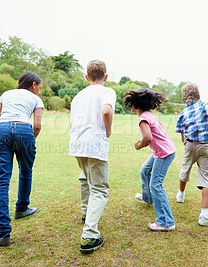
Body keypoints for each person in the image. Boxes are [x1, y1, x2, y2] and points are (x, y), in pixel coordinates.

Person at [0, 72, 44, 248]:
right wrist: (29, 139)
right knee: (26, 171)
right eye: (39, 87)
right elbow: (37, 125)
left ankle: (1, 234)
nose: (39, 90)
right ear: (33, 84)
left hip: (2, 130)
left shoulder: (7, 94)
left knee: (0, 181)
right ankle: (22, 208)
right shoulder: (35, 99)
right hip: (24, 130)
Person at [68, 59, 116, 254]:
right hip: (94, 142)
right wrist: (109, 129)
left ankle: (86, 213)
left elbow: (71, 123)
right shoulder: (107, 91)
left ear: (87, 77)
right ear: (105, 77)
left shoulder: (78, 96)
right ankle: (89, 235)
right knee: (100, 188)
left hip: (77, 143)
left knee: (85, 178)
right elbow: (106, 110)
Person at [123, 88, 177, 231]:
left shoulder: (143, 119)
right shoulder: (149, 115)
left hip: (163, 153)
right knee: (145, 171)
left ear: (135, 105)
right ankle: (148, 198)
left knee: (156, 185)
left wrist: (138, 145)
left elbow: (147, 138)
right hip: (162, 151)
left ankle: (166, 222)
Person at [175, 83, 208, 226]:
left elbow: (182, 134)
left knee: (185, 168)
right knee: (207, 177)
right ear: (199, 96)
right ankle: (204, 215)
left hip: (189, 145)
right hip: (205, 145)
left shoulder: (182, 113)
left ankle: (181, 195)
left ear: (184, 99)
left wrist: (186, 142)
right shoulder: (204, 104)